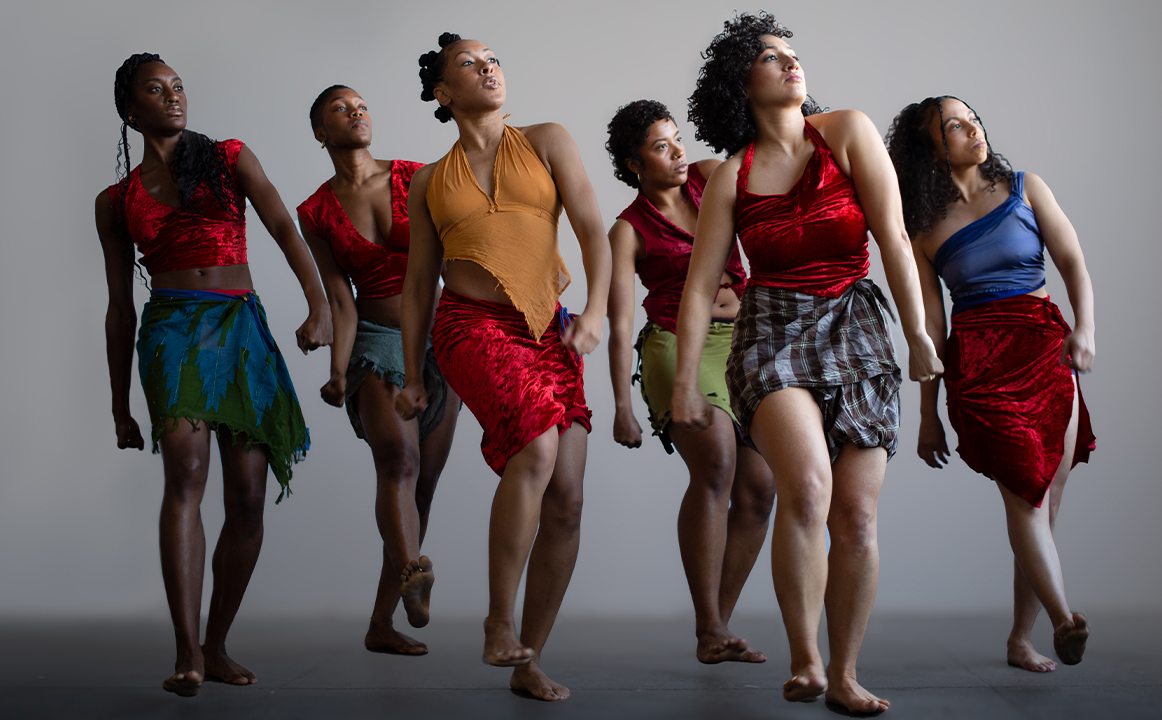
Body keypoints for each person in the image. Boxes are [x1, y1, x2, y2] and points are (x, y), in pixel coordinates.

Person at [675, 13, 944, 712]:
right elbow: (702, 286)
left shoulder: (847, 132)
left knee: (855, 517)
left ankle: (847, 673)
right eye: (769, 57)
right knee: (810, 488)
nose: (790, 64)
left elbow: (891, 237)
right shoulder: (732, 176)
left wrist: (916, 333)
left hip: (855, 327)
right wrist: (683, 384)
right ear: (743, 83)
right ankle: (806, 659)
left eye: (792, 54)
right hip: (772, 334)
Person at [95, 53, 332, 697]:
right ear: (130, 110)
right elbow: (120, 306)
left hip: (241, 331)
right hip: (172, 334)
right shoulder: (115, 200)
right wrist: (119, 405)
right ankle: (186, 652)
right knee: (187, 478)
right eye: (155, 89)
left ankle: (217, 641)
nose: (173, 96)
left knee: (249, 497)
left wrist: (321, 307)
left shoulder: (228, 156)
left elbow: (284, 226)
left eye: (178, 86)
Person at [396, 32, 611, 701]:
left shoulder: (547, 139)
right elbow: (417, 285)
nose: (489, 68)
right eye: (471, 63)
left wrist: (597, 312)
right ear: (444, 92)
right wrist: (410, 374)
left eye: (494, 60)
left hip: (549, 327)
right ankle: (497, 620)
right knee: (538, 451)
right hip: (469, 326)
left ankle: (528, 658)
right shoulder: (430, 180)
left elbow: (591, 231)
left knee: (568, 500)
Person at [885, 95, 1095, 672]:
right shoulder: (922, 228)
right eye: (953, 126)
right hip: (979, 365)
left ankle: (1020, 641)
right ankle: (1063, 620)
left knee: (1046, 502)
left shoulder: (1028, 187)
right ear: (932, 146)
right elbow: (931, 326)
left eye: (972, 119)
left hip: (1046, 347)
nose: (970, 130)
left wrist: (1086, 331)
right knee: (1023, 499)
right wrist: (927, 412)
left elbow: (1072, 261)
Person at [604, 99, 775, 664]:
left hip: (744, 342)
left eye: (676, 139)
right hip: (678, 347)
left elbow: (763, 150)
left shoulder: (706, 178)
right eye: (660, 146)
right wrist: (622, 406)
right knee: (718, 464)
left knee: (761, 487)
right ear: (634, 164)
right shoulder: (628, 229)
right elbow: (622, 319)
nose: (678, 152)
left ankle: (716, 628)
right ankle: (710, 624)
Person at [297, 84, 462, 655]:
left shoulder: (417, 176)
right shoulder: (314, 211)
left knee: (424, 489)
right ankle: (415, 573)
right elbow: (339, 300)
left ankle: (380, 624)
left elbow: (461, 249)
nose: (357, 112)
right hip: (374, 341)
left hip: (440, 342)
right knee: (400, 460)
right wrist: (340, 371)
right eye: (341, 109)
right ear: (320, 132)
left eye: (362, 105)